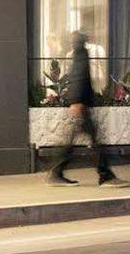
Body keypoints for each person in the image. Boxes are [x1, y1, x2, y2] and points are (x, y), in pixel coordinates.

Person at [50, 32, 121, 185]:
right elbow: (78, 78)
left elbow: (77, 78)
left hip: (81, 103)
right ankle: (105, 175)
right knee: (90, 140)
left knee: (79, 140)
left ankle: (57, 173)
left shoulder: (78, 53)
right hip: (80, 104)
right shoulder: (81, 54)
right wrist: (78, 101)